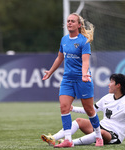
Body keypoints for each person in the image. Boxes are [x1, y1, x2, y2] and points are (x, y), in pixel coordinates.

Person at [41, 13, 103, 148]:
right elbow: (59, 58)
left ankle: (99, 136)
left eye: (72, 21)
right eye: (68, 21)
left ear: (79, 25)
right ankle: (68, 140)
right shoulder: (64, 39)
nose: (69, 23)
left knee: (89, 110)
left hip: (83, 80)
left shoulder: (84, 41)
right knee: (64, 107)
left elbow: (86, 61)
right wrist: (50, 72)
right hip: (67, 79)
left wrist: (84, 74)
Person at [41, 74, 125, 146]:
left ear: (118, 85)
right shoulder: (107, 97)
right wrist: (72, 108)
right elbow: (91, 110)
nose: (109, 84)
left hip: (114, 135)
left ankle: (71, 143)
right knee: (79, 121)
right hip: (101, 127)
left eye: (111, 82)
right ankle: (53, 138)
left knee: (101, 132)